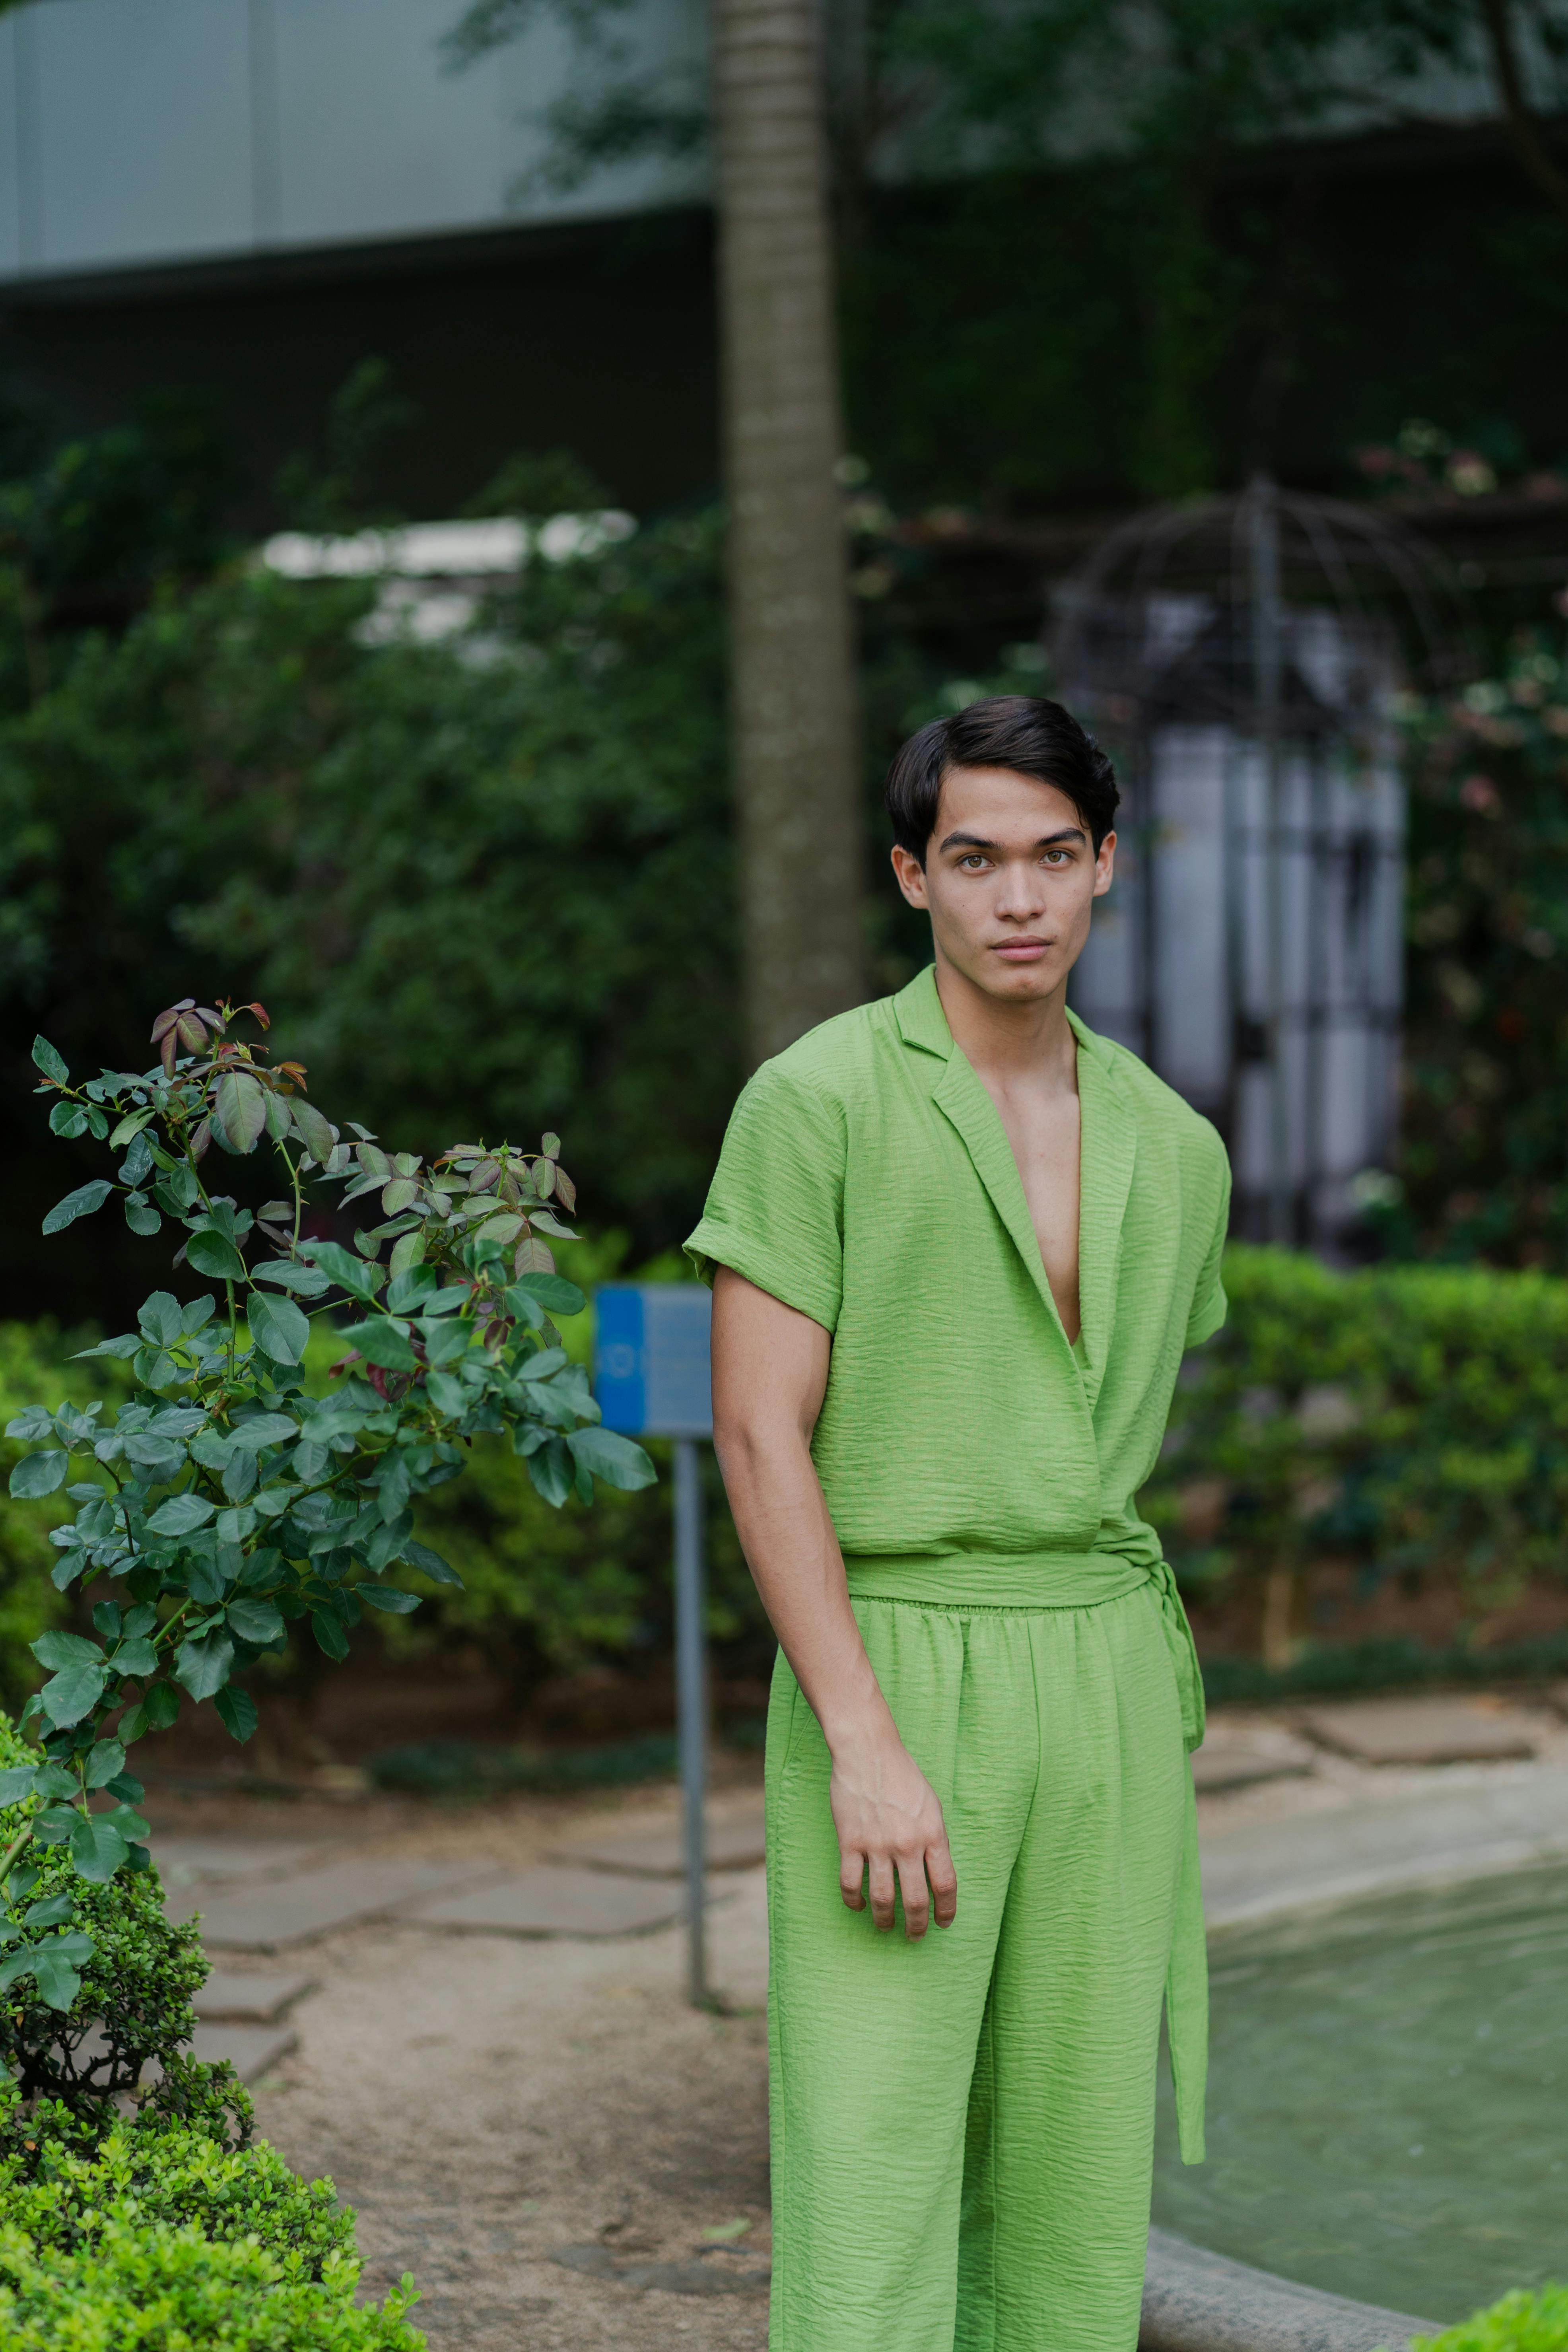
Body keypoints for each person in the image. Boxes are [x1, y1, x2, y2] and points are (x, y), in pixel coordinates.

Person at [686, 695, 1229, 2352]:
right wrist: (858, 1735)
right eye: (975, 859)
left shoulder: (1173, 1145)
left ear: (1104, 869)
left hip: (1103, 1681)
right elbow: (758, 1432)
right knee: (871, 2166)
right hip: (894, 1660)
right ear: (911, 876)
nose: (1018, 900)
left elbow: (1086, 1438)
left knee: (1068, 2189)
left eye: (1052, 858)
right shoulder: (819, 1100)